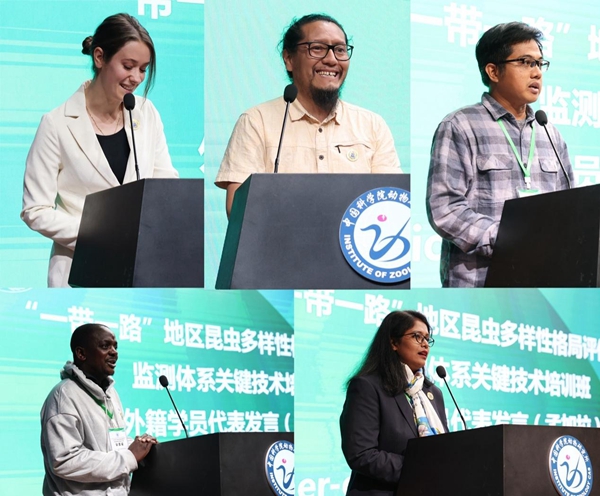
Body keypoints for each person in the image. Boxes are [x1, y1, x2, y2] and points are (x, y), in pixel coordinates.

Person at [21, 13, 179, 287]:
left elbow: (165, 185)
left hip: (141, 270)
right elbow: (35, 210)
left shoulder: (146, 113)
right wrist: (99, 236)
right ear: (99, 57)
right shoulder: (56, 124)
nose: (136, 78)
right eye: (128, 66)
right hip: (79, 271)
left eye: (143, 69)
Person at [426, 22, 574, 287]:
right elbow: (444, 208)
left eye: (540, 64)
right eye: (525, 62)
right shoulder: (460, 126)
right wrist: (507, 239)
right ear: (493, 71)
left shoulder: (549, 132)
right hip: (479, 284)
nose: (536, 73)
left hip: (542, 283)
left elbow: (568, 207)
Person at [215, 13, 402, 215]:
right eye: (317, 48)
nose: (331, 59)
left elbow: (390, 204)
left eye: (340, 50)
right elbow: (239, 210)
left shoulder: (372, 125)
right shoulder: (256, 121)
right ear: (289, 59)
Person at [40, 323, 157, 495]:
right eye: (105, 346)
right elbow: (64, 460)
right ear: (81, 354)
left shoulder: (110, 393)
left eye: (115, 347)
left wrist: (141, 447)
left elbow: (109, 444)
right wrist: (129, 457)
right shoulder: (64, 396)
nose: (114, 352)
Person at [340, 311, 448, 496]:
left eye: (427, 339)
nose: (424, 344)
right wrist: (419, 470)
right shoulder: (368, 387)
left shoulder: (432, 393)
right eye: (417, 336)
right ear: (393, 342)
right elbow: (361, 454)